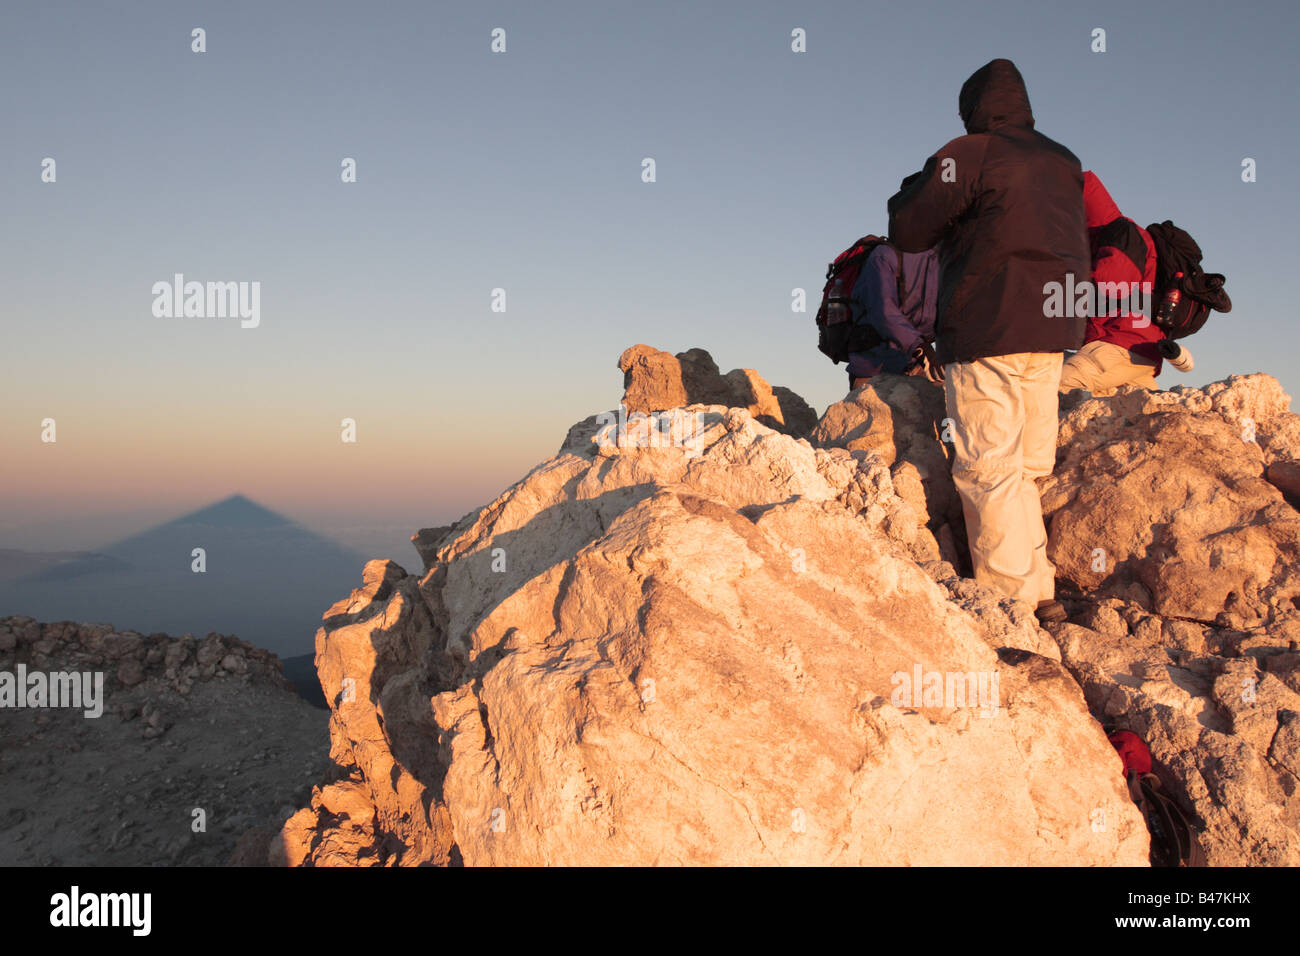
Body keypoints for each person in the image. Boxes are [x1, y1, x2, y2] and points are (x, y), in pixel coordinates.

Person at [886, 58, 1089, 625]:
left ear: (973, 106)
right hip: (1054, 328)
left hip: (989, 324)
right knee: (1024, 468)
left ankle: (1007, 603)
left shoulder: (973, 151)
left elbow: (908, 227)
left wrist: (915, 183)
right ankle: (1039, 589)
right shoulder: (1062, 159)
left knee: (986, 464)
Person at [1058, 171, 1193, 395]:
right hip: (1136, 349)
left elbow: (1110, 281)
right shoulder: (1102, 236)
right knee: (1137, 417)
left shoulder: (1121, 232)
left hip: (1121, 345)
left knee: (1054, 387)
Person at [845, 245, 942, 389]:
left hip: (917, 365)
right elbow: (883, 311)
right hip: (873, 369)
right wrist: (920, 347)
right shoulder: (884, 255)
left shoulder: (942, 258)